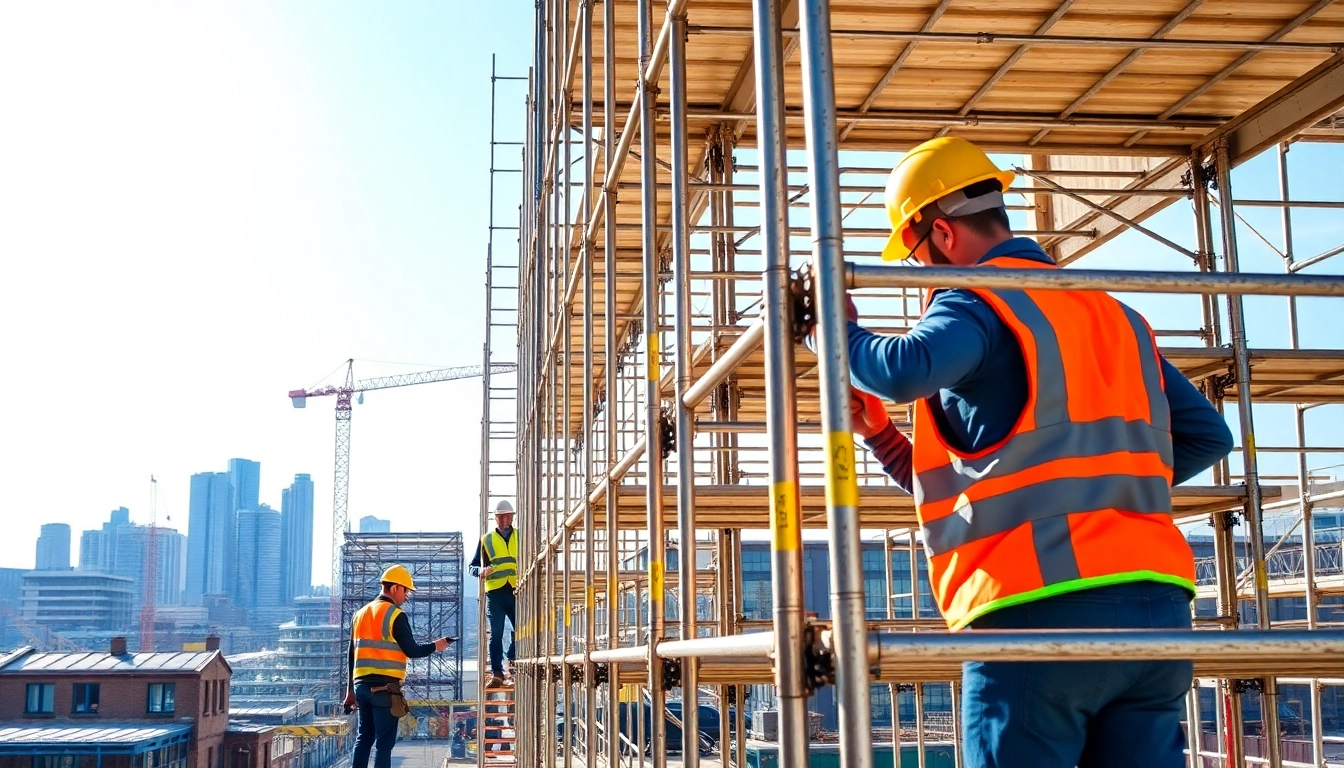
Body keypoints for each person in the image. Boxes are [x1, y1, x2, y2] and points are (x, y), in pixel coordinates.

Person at [839, 136, 1235, 768]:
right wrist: (887, 440)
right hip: (1158, 614)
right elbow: (1209, 437)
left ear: (941, 235)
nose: (917, 276)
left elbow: (906, 368)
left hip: (1036, 613)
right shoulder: (1113, 314)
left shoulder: (977, 299)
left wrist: (837, 329)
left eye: (913, 256)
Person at [344, 564, 455, 768]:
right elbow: (412, 650)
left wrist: (349, 692)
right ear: (395, 588)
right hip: (384, 690)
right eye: (406, 591)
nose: (406, 597)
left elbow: (351, 654)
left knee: (364, 738)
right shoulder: (395, 615)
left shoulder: (359, 614)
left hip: (361, 687)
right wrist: (436, 646)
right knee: (384, 745)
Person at [469, 499, 518, 689]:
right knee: (496, 633)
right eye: (502, 516)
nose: (506, 519)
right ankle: (497, 672)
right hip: (496, 592)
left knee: (521, 631)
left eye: (509, 516)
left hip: (516, 590)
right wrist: (480, 572)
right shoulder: (486, 540)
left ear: (512, 517)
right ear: (496, 518)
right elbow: (472, 566)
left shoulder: (521, 537)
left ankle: (513, 665)